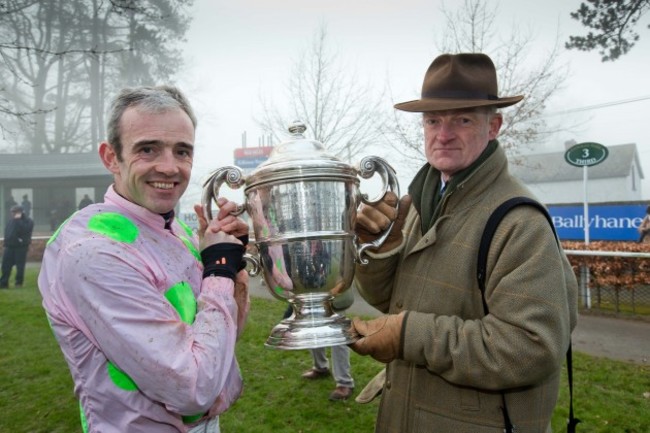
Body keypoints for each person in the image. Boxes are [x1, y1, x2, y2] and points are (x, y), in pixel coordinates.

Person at [349, 53, 579, 432]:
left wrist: (408, 335)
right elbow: (395, 301)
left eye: (463, 119)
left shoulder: (519, 221)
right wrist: (377, 250)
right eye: (433, 120)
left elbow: (530, 349)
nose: (443, 133)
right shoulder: (422, 205)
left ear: (494, 126)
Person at [38, 85, 250, 433]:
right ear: (110, 157)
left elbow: (223, 341)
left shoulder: (178, 230)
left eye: (182, 151)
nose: (169, 168)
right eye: (148, 149)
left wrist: (232, 264)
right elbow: (193, 387)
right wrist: (218, 269)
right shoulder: (93, 250)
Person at [287, 287, 356, 401]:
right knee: (312, 329)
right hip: (311, 291)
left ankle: (344, 383)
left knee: (338, 336)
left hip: (335, 290)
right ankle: (320, 367)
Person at [0, 205, 34, 288]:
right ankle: (3, 283)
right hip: (9, 246)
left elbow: (25, 230)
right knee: (5, 265)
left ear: (21, 212)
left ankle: (18, 283)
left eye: (15, 212)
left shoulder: (28, 221)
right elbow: (8, 232)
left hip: (21, 247)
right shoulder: (11, 221)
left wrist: (18, 221)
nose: (13, 213)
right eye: (12, 212)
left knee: (20, 266)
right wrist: (6, 243)